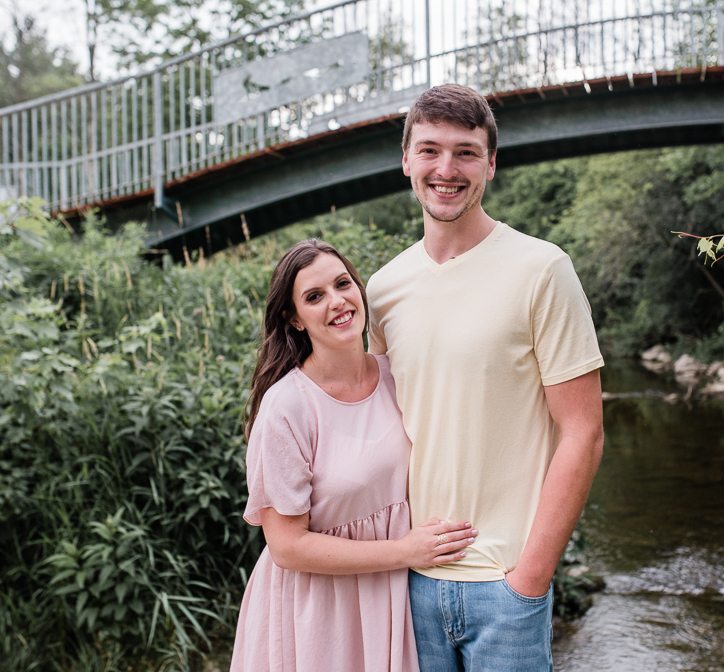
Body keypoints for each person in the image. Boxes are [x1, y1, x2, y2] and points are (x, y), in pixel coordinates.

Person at [367, 84, 605, 672]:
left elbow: (583, 432)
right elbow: (372, 430)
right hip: (408, 584)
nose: (446, 169)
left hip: (505, 588)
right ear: (406, 160)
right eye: (429, 150)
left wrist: (530, 576)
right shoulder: (381, 289)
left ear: (491, 164)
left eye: (466, 152)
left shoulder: (542, 269)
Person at [230, 239, 478, 672]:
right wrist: (403, 551)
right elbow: (286, 547)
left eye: (343, 284)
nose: (337, 301)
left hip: (401, 595)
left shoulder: (396, 374)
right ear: (293, 319)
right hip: (321, 612)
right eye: (314, 296)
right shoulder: (286, 407)